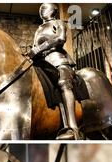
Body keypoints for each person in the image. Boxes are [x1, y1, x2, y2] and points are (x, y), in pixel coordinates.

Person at [28, 3, 80, 140]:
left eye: (44, 8)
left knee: (64, 82)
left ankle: (73, 128)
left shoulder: (58, 23)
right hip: (42, 63)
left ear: (54, 10)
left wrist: (39, 49)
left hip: (58, 60)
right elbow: (35, 46)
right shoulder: (39, 29)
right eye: (40, 9)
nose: (41, 11)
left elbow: (60, 38)